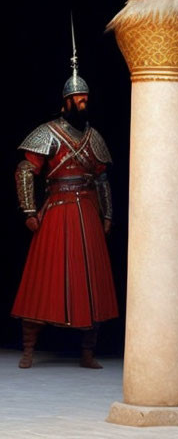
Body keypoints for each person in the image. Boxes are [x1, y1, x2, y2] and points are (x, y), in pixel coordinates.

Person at [12, 39, 118, 369]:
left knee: (91, 282)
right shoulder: (48, 132)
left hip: (87, 212)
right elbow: (25, 170)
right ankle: (29, 348)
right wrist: (29, 210)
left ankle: (88, 352)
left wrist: (108, 214)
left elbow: (101, 178)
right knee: (44, 279)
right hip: (57, 210)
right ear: (66, 101)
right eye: (78, 98)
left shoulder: (94, 136)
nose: (84, 103)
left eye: (86, 98)